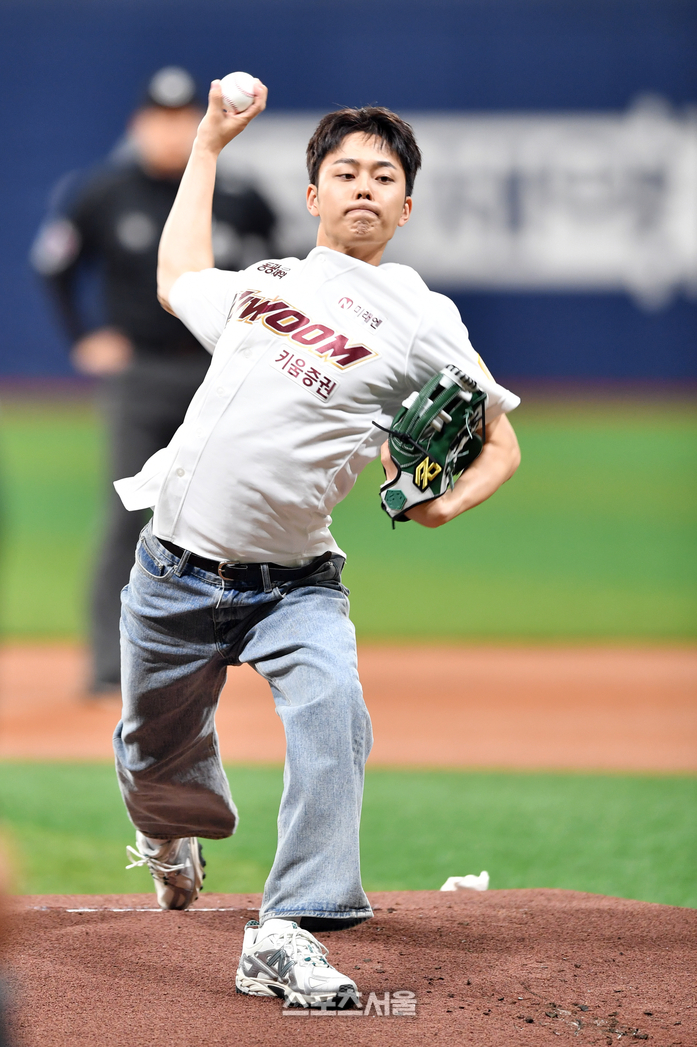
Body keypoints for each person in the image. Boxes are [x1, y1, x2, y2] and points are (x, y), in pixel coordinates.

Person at [114, 78, 521, 1008]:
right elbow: (177, 277)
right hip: (173, 572)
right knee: (156, 768)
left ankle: (287, 928)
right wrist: (208, 146)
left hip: (294, 583)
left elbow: (502, 443)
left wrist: (442, 507)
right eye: (346, 171)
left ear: (407, 207)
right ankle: (168, 832)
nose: (364, 185)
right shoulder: (265, 284)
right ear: (313, 194)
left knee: (335, 710)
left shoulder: (421, 316)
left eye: (384, 176)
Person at [31, 67, 277, 694]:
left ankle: (219, 656)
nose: (169, 131)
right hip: (139, 373)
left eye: (181, 119)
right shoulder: (104, 192)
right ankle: (107, 667)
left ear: (198, 124)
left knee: (228, 518)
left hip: (216, 374)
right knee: (126, 516)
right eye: (159, 120)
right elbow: (54, 265)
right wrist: (84, 336)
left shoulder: (239, 195)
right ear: (138, 125)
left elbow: (282, 274)